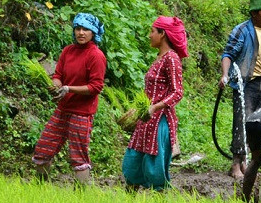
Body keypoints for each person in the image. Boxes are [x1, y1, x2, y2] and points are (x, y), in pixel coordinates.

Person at [32, 13, 107, 184]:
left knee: (78, 157)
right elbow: (58, 74)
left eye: (86, 30)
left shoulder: (96, 56)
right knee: (43, 149)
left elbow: (96, 87)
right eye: (78, 29)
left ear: (93, 33)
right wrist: (57, 85)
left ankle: (81, 197)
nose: (81, 33)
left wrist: (68, 88)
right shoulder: (68, 51)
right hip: (63, 110)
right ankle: (39, 189)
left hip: (82, 113)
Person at [221, 0, 261, 180]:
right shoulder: (242, 31)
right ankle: (235, 164)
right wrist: (225, 75)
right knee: (241, 123)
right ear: (254, 13)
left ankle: (247, 161)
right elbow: (228, 55)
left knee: (257, 124)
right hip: (246, 85)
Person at [122, 16, 186, 191]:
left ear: (162, 34)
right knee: (133, 161)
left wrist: (156, 107)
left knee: (155, 166)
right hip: (146, 120)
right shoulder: (159, 57)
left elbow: (177, 92)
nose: (149, 35)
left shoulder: (171, 59)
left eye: (152, 31)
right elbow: (151, 91)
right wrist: (138, 108)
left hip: (160, 122)